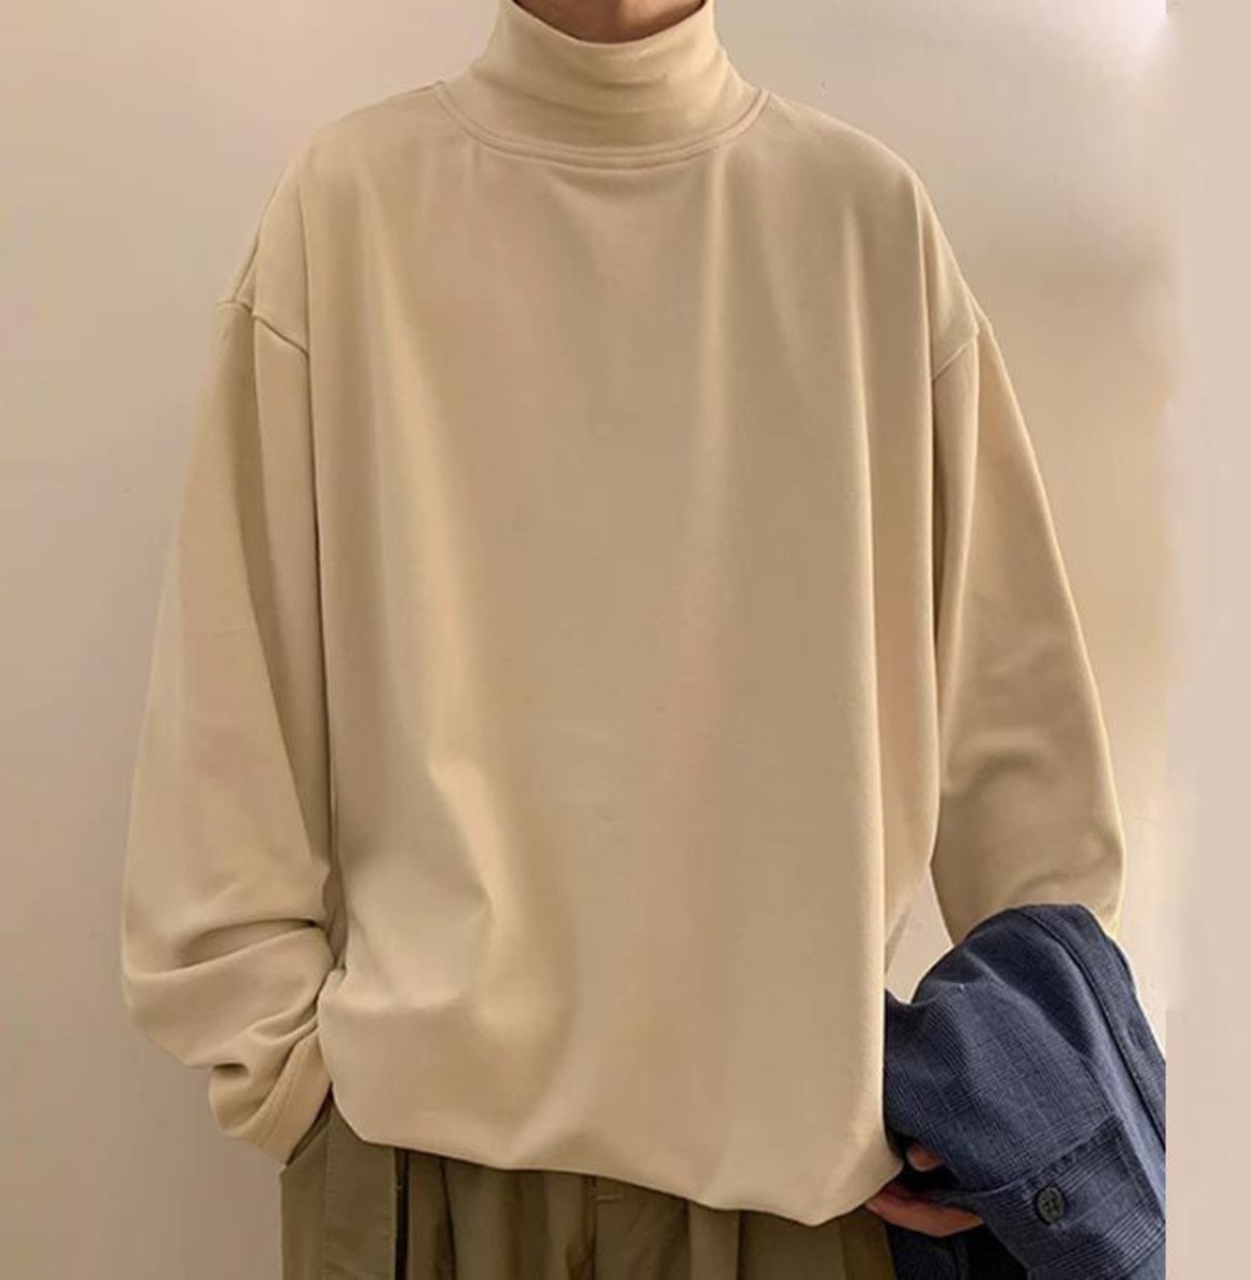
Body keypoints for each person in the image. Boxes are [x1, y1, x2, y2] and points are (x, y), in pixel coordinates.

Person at [118, 1, 1128, 1276]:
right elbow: (227, 718)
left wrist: (1002, 1098)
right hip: (422, 1173)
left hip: (799, 1195)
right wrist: (294, 1085)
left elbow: (1030, 783)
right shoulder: (348, 208)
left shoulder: (863, 224)